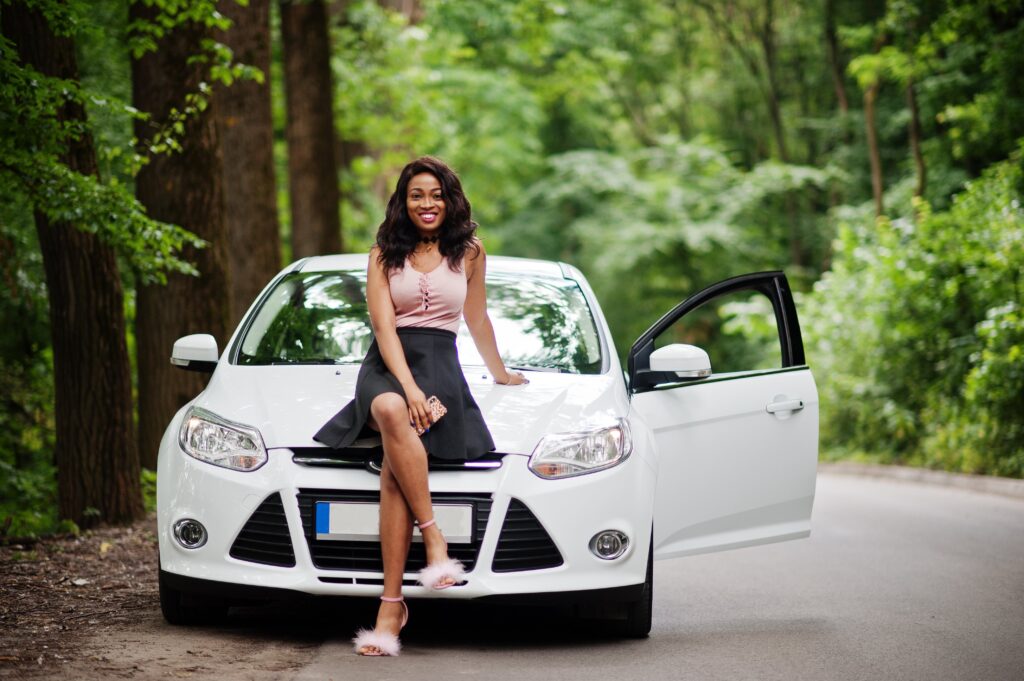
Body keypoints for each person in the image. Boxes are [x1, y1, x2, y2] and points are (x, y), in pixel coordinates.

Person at [312, 156, 528, 656]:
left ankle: (391, 606)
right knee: (390, 412)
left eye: (435, 195)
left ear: (449, 200)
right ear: (403, 203)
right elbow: (384, 330)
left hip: (442, 369)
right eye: (416, 195)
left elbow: (476, 320)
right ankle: (434, 541)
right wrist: (410, 392)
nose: (426, 204)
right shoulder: (383, 254)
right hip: (389, 366)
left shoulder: (470, 252)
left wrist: (500, 373)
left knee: (395, 468)